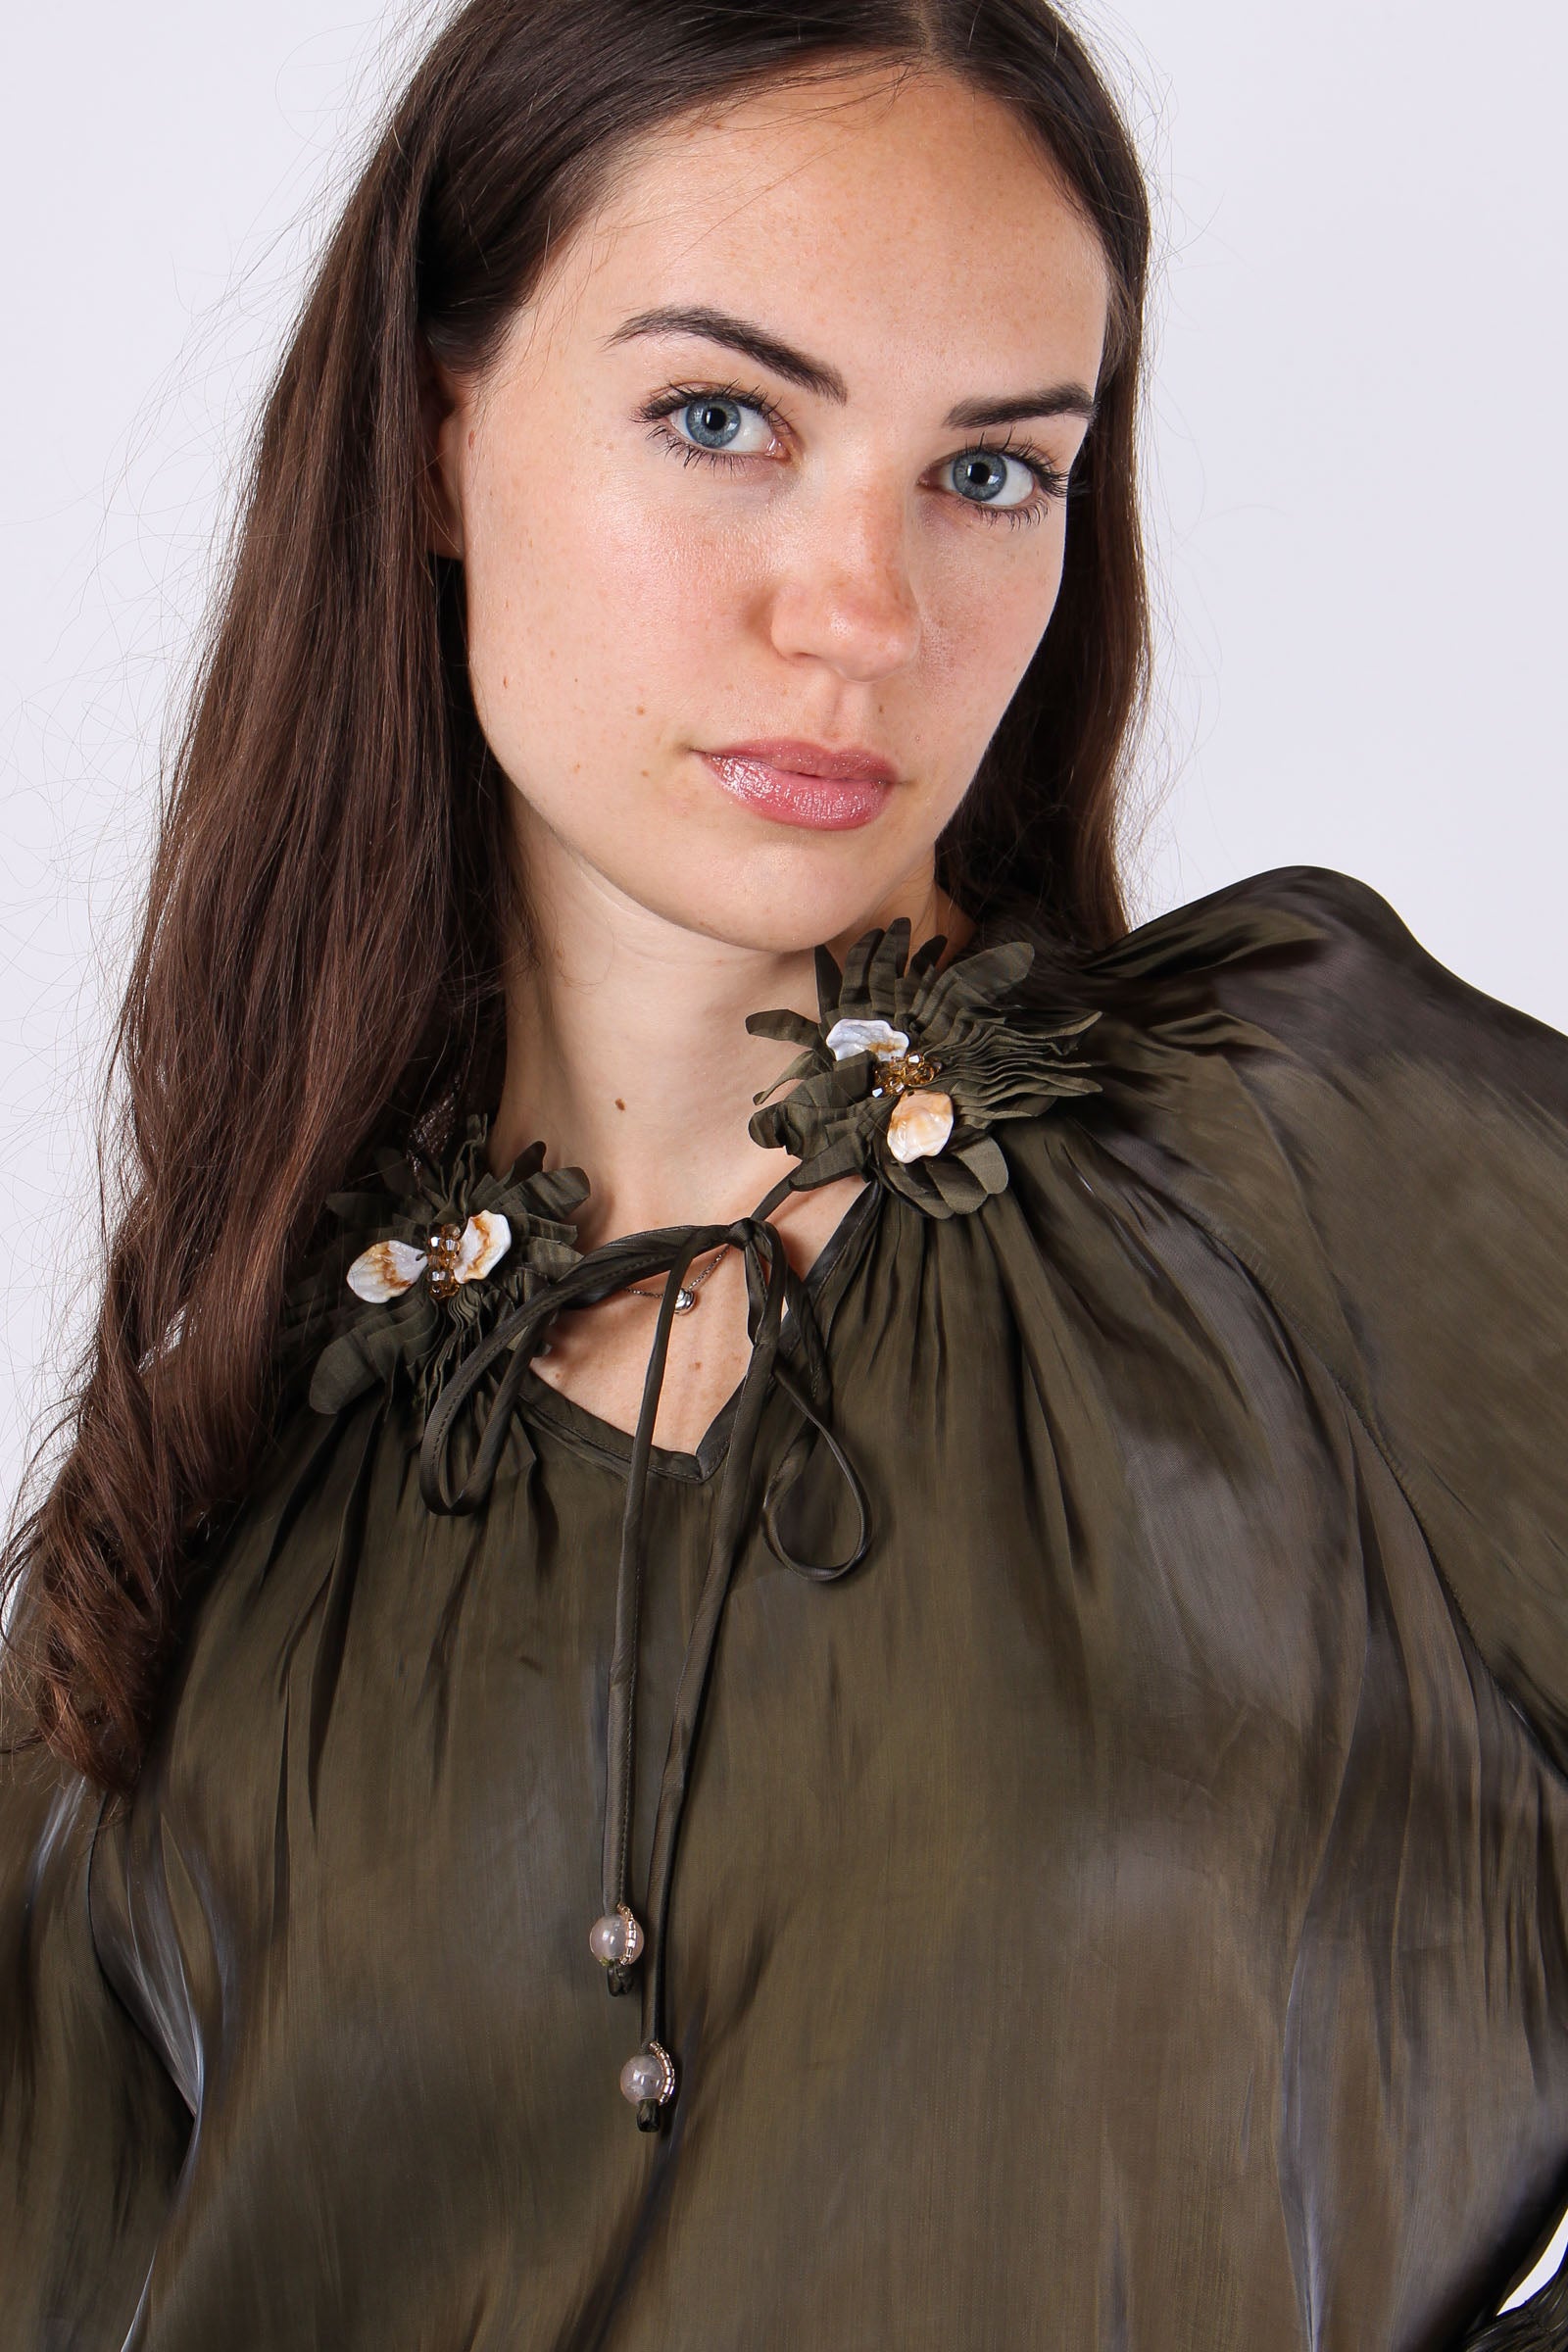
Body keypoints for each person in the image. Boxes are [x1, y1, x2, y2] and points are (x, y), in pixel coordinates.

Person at [2, 1, 1565, 2343]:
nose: (861, 612)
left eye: (990, 471)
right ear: (435, 443)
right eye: (720, 421)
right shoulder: (188, 1542)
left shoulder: (1313, 1188)